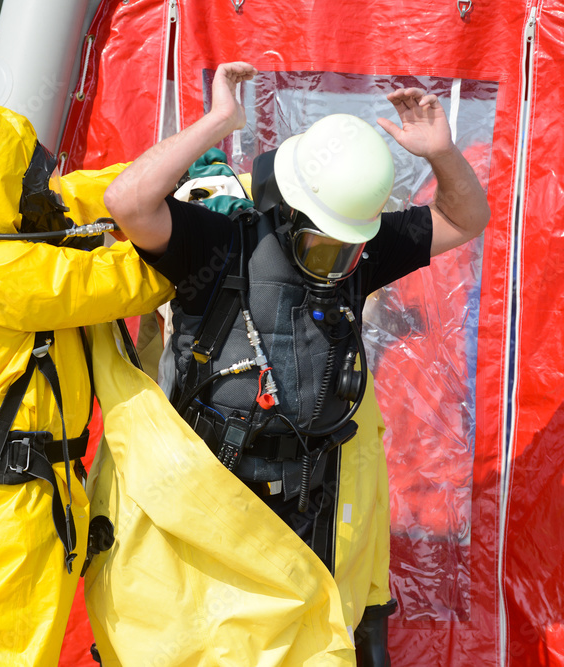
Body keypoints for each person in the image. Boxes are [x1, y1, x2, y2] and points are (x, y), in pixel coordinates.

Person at [102, 61, 490, 664]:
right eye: (321, 245)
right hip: (211, 503)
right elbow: (127, 202)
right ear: (289, 213)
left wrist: (441, 153)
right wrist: (219, 121)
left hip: (309, 503)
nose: (334, 265)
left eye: (347, 249)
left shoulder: (359, 253)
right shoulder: (217, 246)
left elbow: (465, 219)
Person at [0, 97, 173, 665]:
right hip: (10, 508)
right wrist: (196, 233)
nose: (48, 191)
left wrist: (171, 168)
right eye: (36, 180)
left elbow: (73, 196)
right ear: (10, 185)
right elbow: (127, 282)